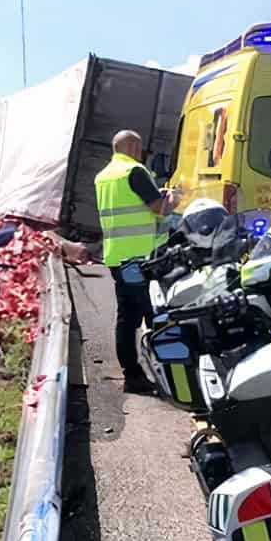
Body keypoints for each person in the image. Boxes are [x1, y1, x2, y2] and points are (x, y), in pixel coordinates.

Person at [95, 130, 172, 393]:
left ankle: (132, 373)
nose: (141, 153)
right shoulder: (135, 171)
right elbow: (158, 208)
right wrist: (173, 199)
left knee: (127, 317)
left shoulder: (103, 177)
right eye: (139, 148)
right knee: (154, 314)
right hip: (141, 258)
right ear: (132, 147)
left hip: (117, 257)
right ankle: (166, 374)